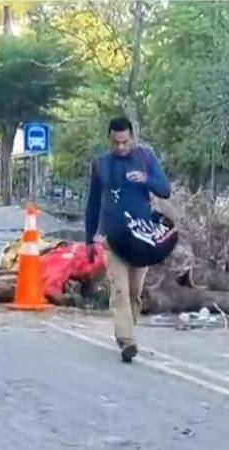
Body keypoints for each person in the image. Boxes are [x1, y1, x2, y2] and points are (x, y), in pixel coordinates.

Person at [85, 117, 171, 363]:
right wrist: (90, 239)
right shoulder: (100, 164)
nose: (121, 147)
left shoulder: (146, 158)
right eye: (115, 142)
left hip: (142, 236)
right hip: (113, 237)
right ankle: (126, 340)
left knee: (134, 291)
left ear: (132, 137)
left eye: (124, 142)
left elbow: (165, 190)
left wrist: (146, 180)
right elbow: (92, 203)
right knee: (120, 289)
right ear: (109, 140)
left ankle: (127, 328)